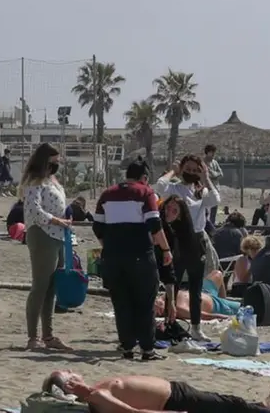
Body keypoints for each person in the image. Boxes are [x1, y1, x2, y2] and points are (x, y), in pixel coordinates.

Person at [93, 158, 174, 360]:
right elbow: (154, 224)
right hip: (140, 256)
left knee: (121, 303)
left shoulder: (107, 194)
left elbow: (97, 227)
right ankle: (147, 349)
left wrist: (109, 247)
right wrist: (166, 249)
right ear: (144, 178)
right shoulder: (145, 193)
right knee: (145, 303)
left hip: (112, 257)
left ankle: (127, 346)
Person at [40, 370, 270, 413]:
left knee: (229, 406)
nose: (72, 372)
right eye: (68, 376)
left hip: (176, 392)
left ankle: (264, 407)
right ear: (67, 389)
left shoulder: (95, 392)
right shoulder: (95, 397)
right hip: (173, 400)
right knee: (231, 404)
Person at [20, 143, 72, 351]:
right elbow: (35, 210)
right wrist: (57, 221)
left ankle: (48, 335)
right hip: (42, 234)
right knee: (40, 286)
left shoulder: (53, 180)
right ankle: (33, 337)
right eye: (54, 161)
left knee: (51, 287)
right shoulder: (35, 181)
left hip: (58, 234)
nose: (57, 165)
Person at [155, 154, 221, 275]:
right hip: (177, 238)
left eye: (195, 170)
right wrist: (173, 171)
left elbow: (215, 200)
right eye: (188, 169)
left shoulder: (201, 192)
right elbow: (160, 186)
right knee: (175, 277)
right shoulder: (173, 189)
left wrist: (205, 178)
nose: (191, 172)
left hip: (197, 239)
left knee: (197, 279)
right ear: (182, 169)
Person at [159, 194, 209, 341]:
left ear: (180, 214)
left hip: (191, 252)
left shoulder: (185, 226)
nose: (169, 212)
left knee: (195, 292)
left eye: (174, 211)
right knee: (172, 290)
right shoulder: (160, 223)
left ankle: (196, 327)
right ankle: (169, 323)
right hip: (173, 256)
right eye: (168, 208)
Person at [203, 144, 223, 225]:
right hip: (206, 189)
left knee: (214, 207)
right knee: (206, 208)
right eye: (212, 152)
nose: (213, 154)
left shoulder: (215, 162)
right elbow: (207, 176)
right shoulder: (203, 163)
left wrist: (214, 175)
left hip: (215, 188)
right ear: (207, 152)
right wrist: (214, 175)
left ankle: (212, 223)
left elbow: (221, 174)